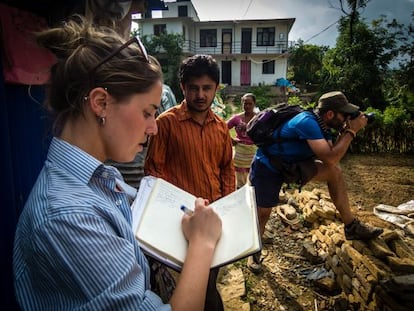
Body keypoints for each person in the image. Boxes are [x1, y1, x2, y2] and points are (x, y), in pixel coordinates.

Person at [13, 16, 222, 311]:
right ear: (101, 103)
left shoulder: (100, 177)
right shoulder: (69, 217)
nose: (154, 128)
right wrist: (202, 243)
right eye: (148, 112)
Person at [247, 91, 383, 273]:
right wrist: (351, 131)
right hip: (268, 166)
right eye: (344, 115)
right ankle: (253, 252)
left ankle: (351, 226)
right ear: (330, 114)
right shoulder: (307, 122)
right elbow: (330, 157)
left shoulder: (323, 126)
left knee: (334, 172)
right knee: (263, 213)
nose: (346, 119)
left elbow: (331, 159)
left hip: (292, 165)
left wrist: (345, 131)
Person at [144, 54, 236, 311]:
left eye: (207, 88)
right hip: (180, 223)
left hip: (213, 221)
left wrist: (228, 209)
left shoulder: (220, 127)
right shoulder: (166, 124)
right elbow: (153, 174)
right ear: (182, 87)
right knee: (199, 289)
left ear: (216, 89)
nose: (200, 94)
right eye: (193, 88)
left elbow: (227, 169)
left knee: (208, 279)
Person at [227, 93, 258, 188]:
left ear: (254, 104)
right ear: (242, 104)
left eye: (250, 104)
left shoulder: (259, 118)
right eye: (245, 103)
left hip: (254, 152)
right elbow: (222, 128)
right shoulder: (236, 118)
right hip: (240, 152)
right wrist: (230, 139)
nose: (247, 106)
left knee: (253, 178)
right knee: (240, 180)